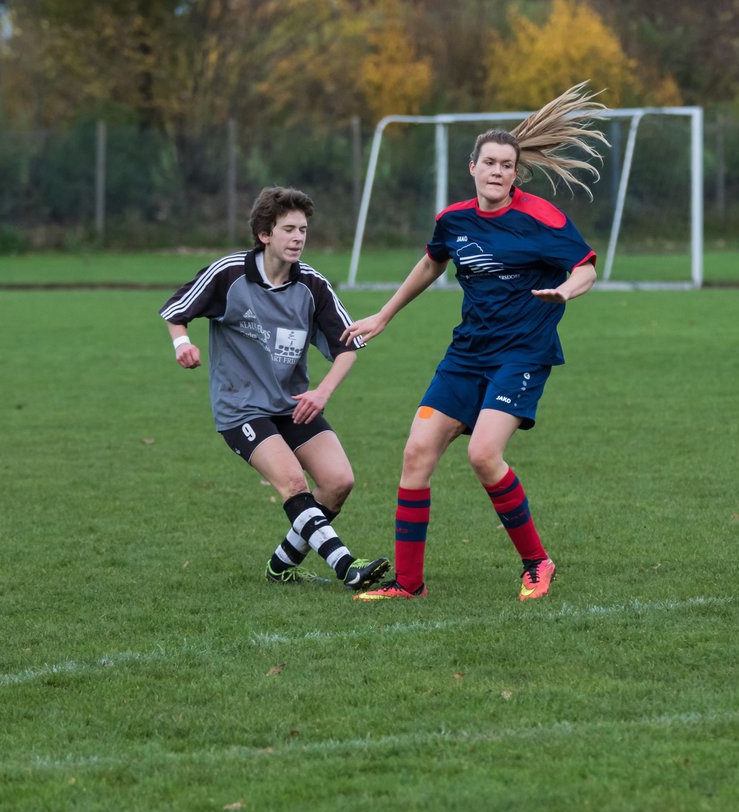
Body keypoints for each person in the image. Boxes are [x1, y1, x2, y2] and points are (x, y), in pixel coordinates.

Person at [341, 83, 607, 602]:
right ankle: (408, 584)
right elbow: (431, 261)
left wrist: (566, 291)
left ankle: (538, 562)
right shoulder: (453, 220)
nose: (497, 172)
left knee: (484, 455)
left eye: (506, 165)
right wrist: (385, 315)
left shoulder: (540, 218)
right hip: (467, 354)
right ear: (473, 167)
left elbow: (587, 266)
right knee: (416, 453)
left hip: (523, 353)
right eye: (489, 162)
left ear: (515, 173)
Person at [159, 186, 389, 591]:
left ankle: (282, 566)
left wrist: (322, 392)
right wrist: (183, 344)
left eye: (303, 229)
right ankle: (346, 565)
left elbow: (349, 346)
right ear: (265, 234)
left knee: (338, 482)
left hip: (292, 404)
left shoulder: (313, 286)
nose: (299, 237)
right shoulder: (229, 274)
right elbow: (177, 312)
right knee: (294, 484)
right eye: (288, 229)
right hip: (241, 408)